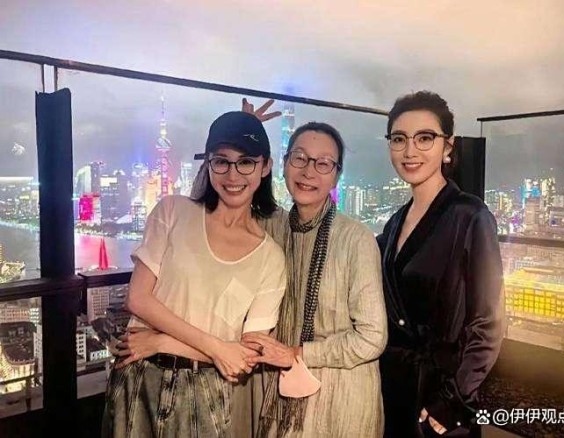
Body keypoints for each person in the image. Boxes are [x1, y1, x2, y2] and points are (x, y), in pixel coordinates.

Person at [102, 110, 287, 438]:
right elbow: (138, 299)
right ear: (208, 164)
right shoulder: (173, 211)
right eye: (222, 161)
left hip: (204, 390)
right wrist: (218, 347)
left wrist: (161, 342)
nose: (233, 174)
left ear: (265, 166)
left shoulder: (269, 257)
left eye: (246, 162)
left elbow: (245, 356)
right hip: (139, 375)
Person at [242, 119, 388, 438]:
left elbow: (372, 337)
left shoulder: (355, 239)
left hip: (341, 402)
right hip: (283, 396)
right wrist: (245, 137)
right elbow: (225, 201)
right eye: (300, 158)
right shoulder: (271, 228)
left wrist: (297, 353)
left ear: (336, 175)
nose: (309, 171)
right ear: (283, 165)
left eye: (323, 163)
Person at [377, 91, 504, 437]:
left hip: (441, 399)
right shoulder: (395, 222)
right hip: (394, 389)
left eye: (424, 138)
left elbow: (489, 322)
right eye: (399, 139)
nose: (410, 151)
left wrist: (453, 400)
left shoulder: (470, 215)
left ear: (447, 147)